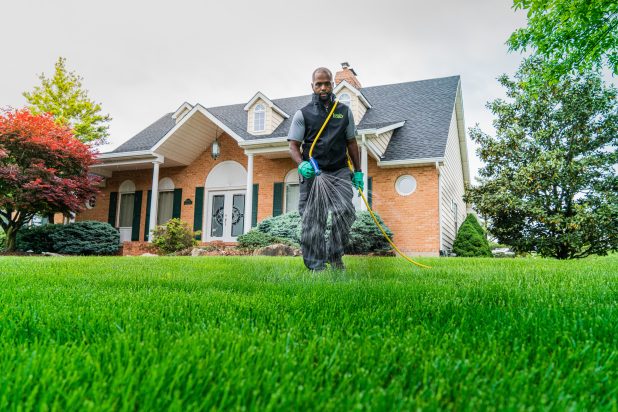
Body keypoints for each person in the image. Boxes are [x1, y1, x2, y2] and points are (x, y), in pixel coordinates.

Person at [287, 67, 364, 271]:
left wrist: (358, 171)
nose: (323, 87)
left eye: (327, 83)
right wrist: (301, 164)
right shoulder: (303, 114)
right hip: (313, 173)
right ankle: (316, 266)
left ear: (333, 84)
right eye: (318, 83)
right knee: (313, 219)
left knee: (345, 212)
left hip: (339, 171)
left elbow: (352, 143)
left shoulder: (343, 112)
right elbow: (293, 144)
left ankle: (335, 256)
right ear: (312, 86)